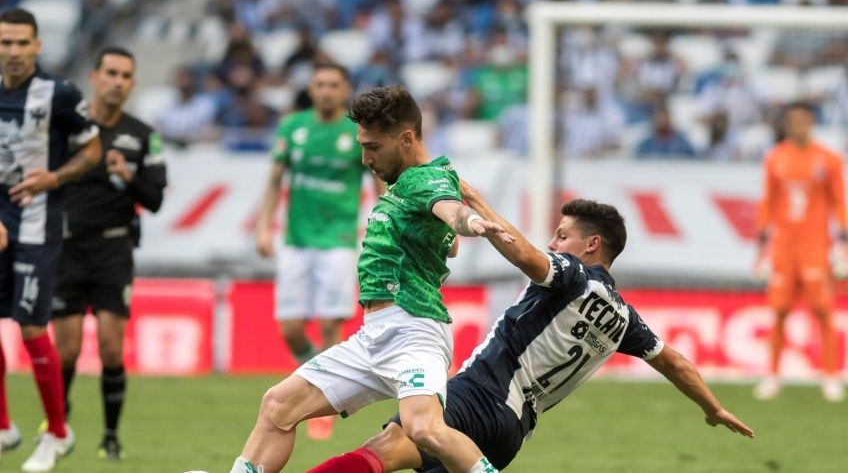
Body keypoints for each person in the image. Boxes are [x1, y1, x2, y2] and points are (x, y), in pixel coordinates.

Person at [307, 187, 755, 473]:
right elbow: (675, 362)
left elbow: (523, 254)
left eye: (562, 235)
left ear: (591, 245)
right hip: (511, 433)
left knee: (384, 448)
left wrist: (474, 201)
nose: (552, 244)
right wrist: (713, 408)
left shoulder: (573, 277)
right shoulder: (623, 318)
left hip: (479, 394)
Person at [229, 85, 514, 473]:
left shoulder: (425, 178)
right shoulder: (412, 183)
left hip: (414, 331)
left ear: (406, 138)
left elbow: (451, 211)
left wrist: (470, 221)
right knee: (278, 405)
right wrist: (441, 234)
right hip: (374, 336)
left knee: (424, 429)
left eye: (373, 147)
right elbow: (448, 243)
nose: (365, 158)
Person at [50, 46, 167, 461]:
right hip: (66, 247)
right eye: (111, 73)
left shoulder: (143, 135)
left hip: (113, 249)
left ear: (132, 84)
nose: (117, 82)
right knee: (65, 351)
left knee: (111, 347)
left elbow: (155, 200)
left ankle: (111, 437)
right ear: (95, 77)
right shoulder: (65, 126)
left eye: (125, 76)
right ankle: (57, 421)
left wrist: (128, 176)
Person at [254, 61, 382, 440]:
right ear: (311, 89)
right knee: (291, 329)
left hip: (338, 241)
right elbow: (274, 181)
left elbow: (377, 185)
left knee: (329, 323)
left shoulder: (355, 133)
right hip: (295, 240)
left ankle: (320, 406)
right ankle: (315, 379)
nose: (326, 91)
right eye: (320, 84)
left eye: (333, 85)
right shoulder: (293, 127)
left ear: (345, 90)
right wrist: (263, 227)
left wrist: (383, 226)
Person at [0, 8, 102, 472]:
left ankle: (57, 434)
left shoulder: (59, 94)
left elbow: (92, 151)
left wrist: (53, 178)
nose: (14, 52)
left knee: (31, 328)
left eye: (22, 43)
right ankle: (5, 427)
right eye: (6, 43)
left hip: (38, 226)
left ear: (37, 46)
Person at [753, 101, 847, 402]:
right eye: (791, 122)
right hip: (783, 248)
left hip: (815, 246)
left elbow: (838, 200)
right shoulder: (776, 158)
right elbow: (768, 201)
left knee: (823, 311)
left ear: (811, 122)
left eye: (801, 121)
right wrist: (761, 244)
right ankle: (772, 375)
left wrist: (843, 240)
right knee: (779, 311)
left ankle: (830, 376)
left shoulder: (829, 159)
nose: (796, 127)